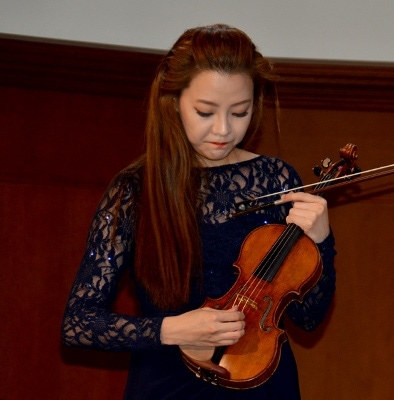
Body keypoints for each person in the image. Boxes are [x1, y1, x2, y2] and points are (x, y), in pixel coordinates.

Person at [61, 24, 336, 399]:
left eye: (240, 112)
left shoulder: (276, 179)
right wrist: (172, 329)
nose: (223, 129)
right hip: (166, 388)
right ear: (174, 101)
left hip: (263, 384)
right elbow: (78, 323)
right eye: (205, 112)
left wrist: (321, 241)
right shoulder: (134, 189)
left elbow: (308, 318)